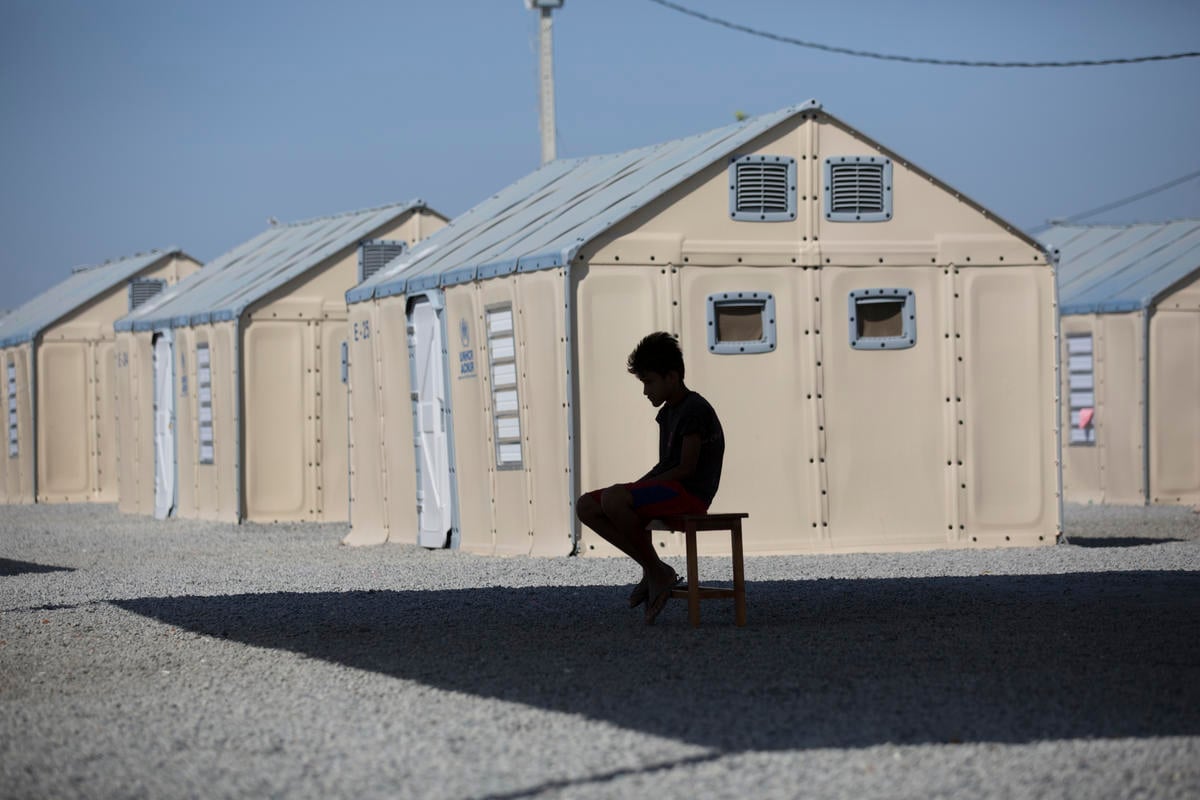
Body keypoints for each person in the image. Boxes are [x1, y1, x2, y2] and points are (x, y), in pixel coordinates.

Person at [576, 331, 725, 624]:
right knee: (586, 505)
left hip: (689, 495)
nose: (645, 391)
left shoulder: (694, 409)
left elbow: (686, 469)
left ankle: (657, 573)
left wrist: (634, 490)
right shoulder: (668, 412)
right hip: (671, 489)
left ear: (672, 377)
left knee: (616, 499)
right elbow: (664, 466)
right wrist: (635, 487)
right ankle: (654, 567)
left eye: (649, 382)